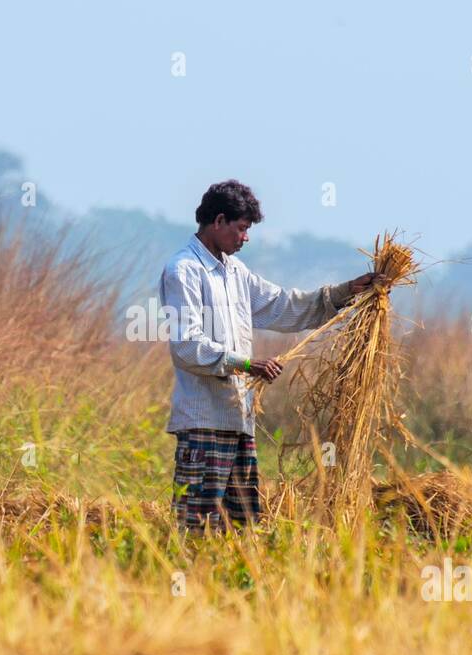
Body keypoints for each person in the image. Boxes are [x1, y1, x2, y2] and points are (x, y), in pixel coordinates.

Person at [159, 179, 377, 533]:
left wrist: (343, 293)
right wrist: (245, 364)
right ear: (218, 221)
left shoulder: (236, 273)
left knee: (242, 529)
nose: (245, 238)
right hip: (202, 423)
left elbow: (282, 306)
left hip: (238, 421)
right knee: (196, 529)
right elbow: (187, 346)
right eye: (241, 228)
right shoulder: (183, 270)